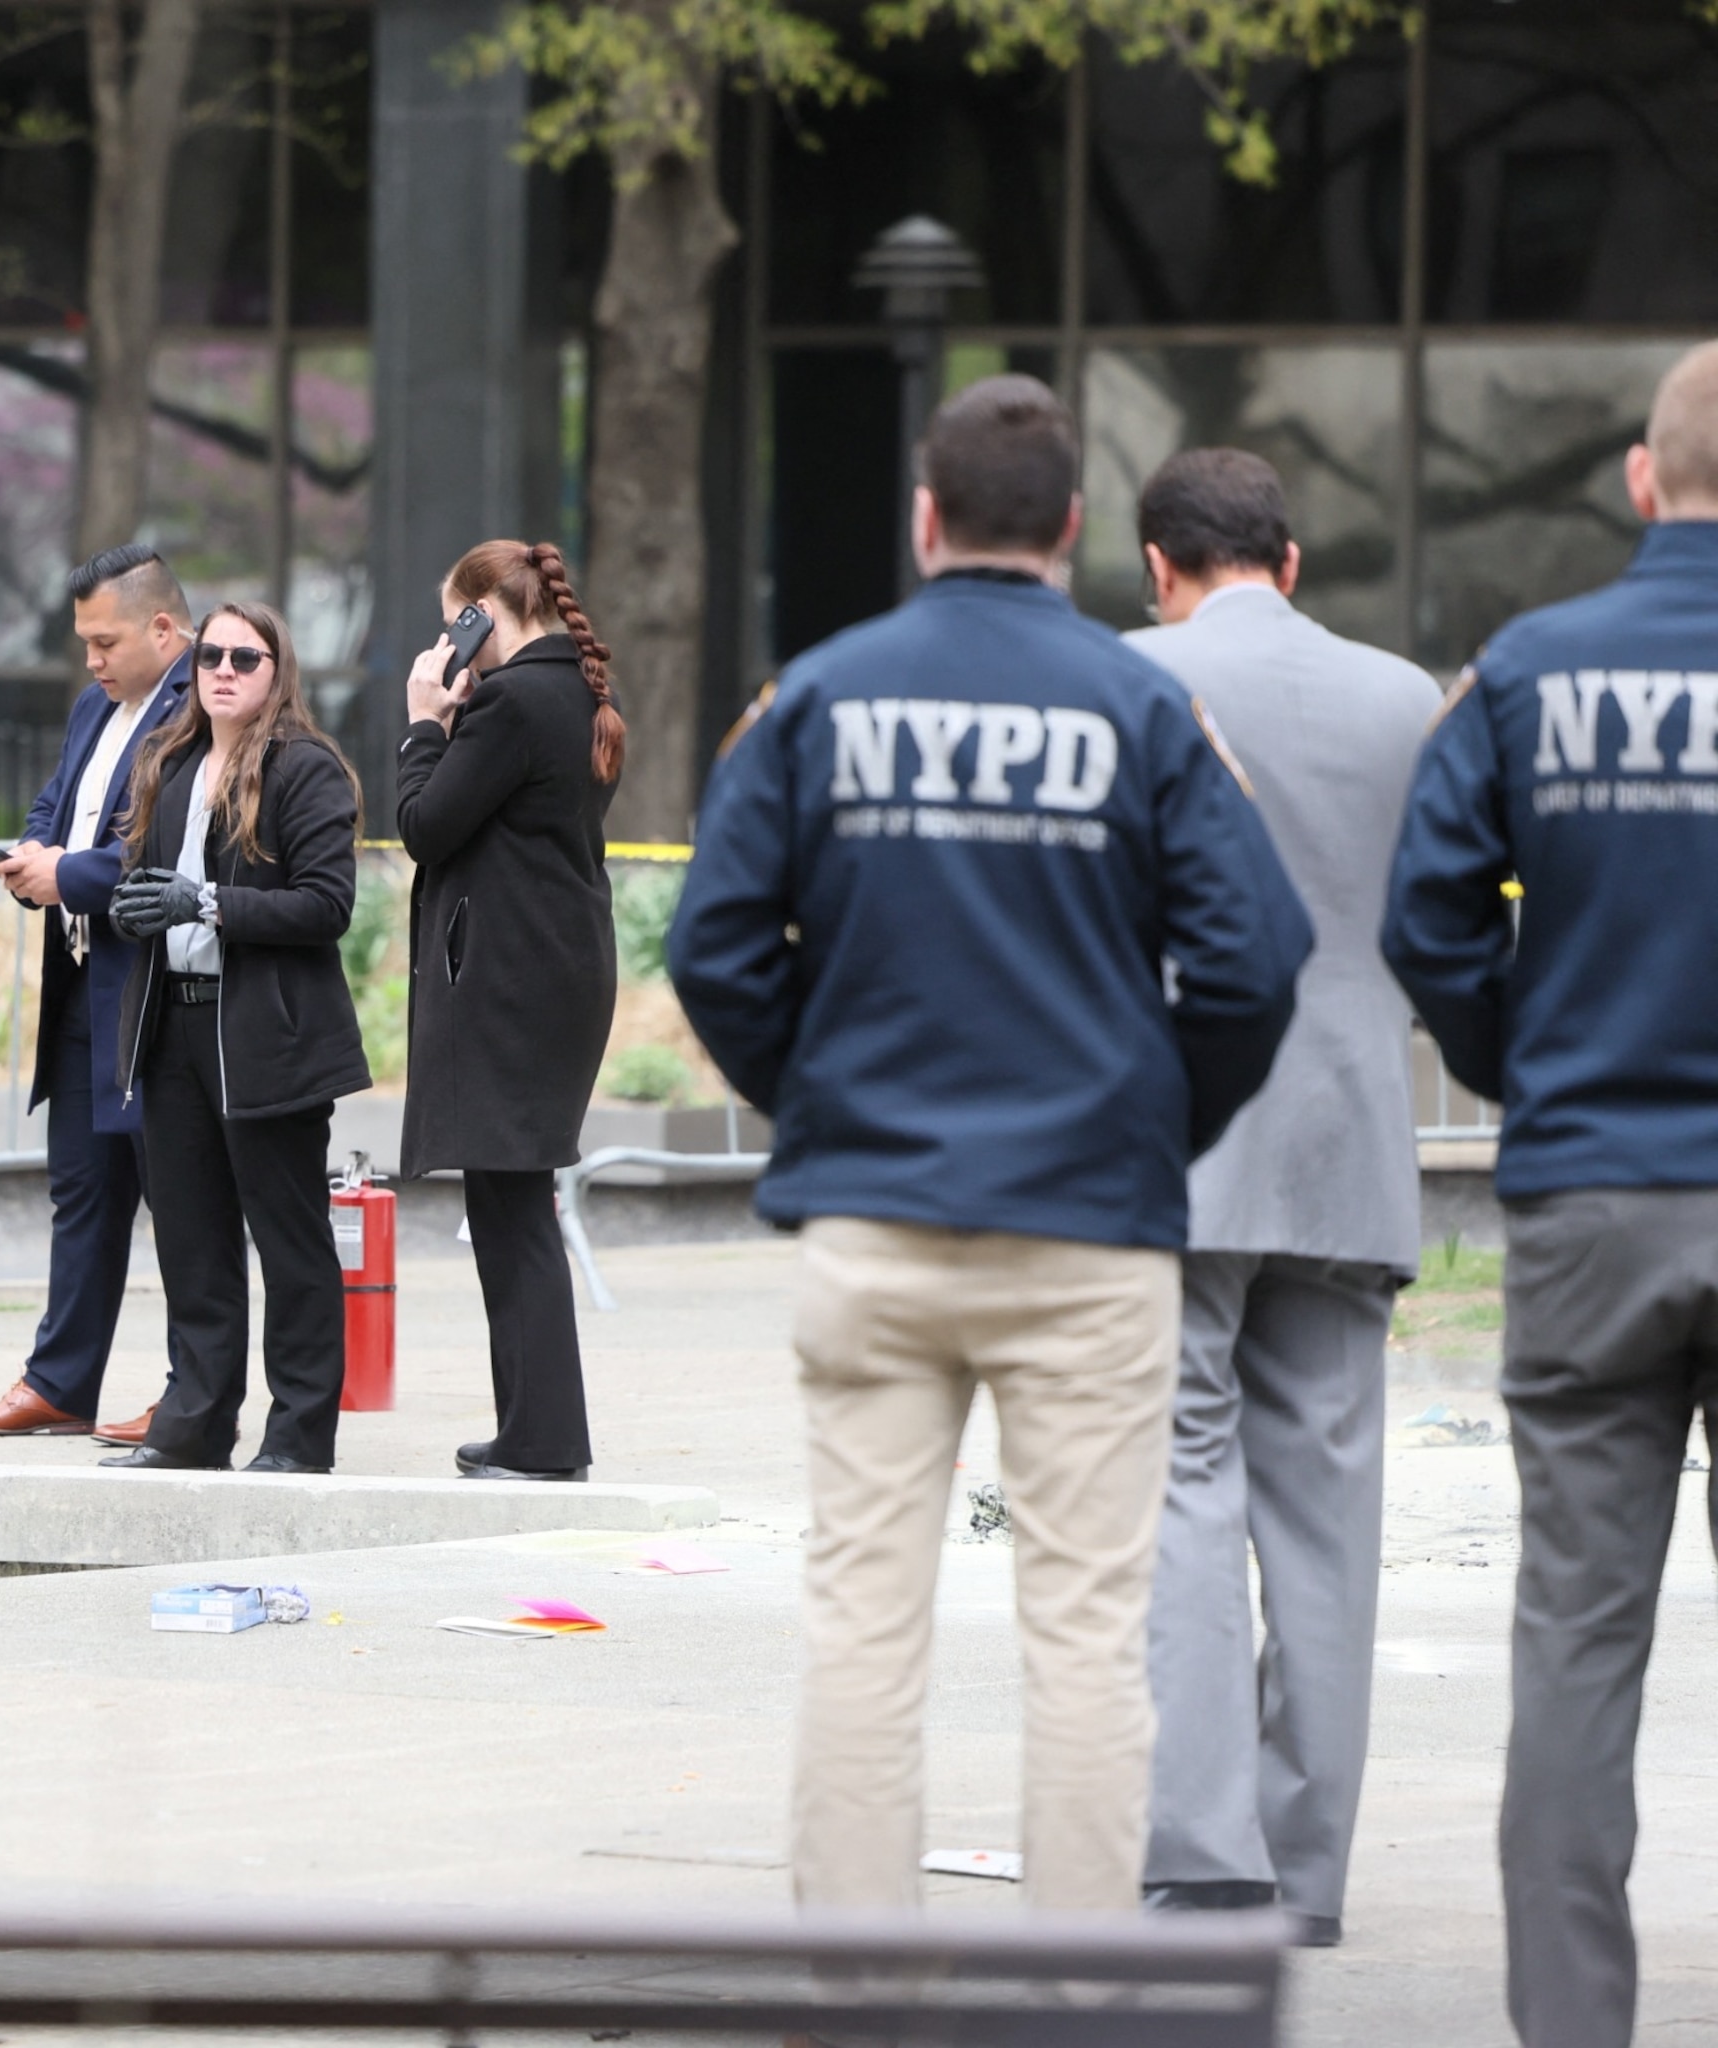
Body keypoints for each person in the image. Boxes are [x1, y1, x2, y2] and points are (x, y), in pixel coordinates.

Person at [669, 374, 1313, 1914]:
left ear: (923, 514)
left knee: (861, 1620)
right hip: (1088, 1228)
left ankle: (857, 1987)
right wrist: (1153, 1120)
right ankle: (1078, 1990)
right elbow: (1255, 958)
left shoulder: (822, 694)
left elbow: (715, 945)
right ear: (1081, 530)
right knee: (1089, 1632)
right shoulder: (1147, 706)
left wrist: (815, 1096)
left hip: (875, 1217)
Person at [1384, 339, 1718, 2048]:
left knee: (1579, 1635)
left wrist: (1536, 1063)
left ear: (1640, 481)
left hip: (1591, 1194)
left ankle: (1572, 2022)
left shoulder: (1530, 668)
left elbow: (1423, 916)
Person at [1124, 449, 1442, 1951]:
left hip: (1178, 1134)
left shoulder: (1127, 681)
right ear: (1293, 561)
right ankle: (1308, 1875)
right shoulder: (1406, 698)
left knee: (1184, 1488)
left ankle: (1202, 1850)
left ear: (1156, 564)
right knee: (1328, 1516)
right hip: (1352, 1141)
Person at [100, 601, 370, 1474]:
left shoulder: (306, 768)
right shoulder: (171, 760)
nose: (222, 670)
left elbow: (327, 906)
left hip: (268, 1039)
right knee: (190, 1239)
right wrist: (134, 902)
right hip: (171, 1025)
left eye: (244, 658)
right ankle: (195, 1425)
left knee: (291, 1245)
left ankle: (298, 1438)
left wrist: (209, 903)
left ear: (276, 670)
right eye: (211, 655)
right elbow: (137, 875)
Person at [0, 545, 194, 1442]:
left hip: (159, 993)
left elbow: (155, 849)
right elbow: (57, 806)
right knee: (83, 1189)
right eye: (83, 641)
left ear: (164, 629)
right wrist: (29, 856)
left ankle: (193, 1394)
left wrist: (67, 877)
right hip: (84, 983)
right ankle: (58, 1384)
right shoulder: (97, 706)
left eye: (105, 639)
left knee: (182, 1199)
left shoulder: (203, 703)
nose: (91, 659)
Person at [397, 539, 624, 1483]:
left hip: (515, 980)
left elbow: (424, 825)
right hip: (557, 972)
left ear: (484, 610)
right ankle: (536, 1431)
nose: (450, 640)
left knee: (514, 1206)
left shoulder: (513, 699)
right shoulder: (575, 690)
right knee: (510, 1200)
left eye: (455, 618)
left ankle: (544, 1441)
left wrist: (422, 722)